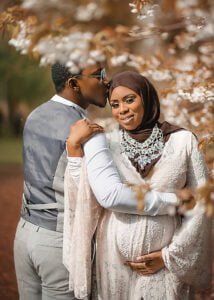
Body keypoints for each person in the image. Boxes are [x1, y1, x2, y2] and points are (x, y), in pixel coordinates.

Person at [65, 71, 211, 299]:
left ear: (147, 98)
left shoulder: (182, 141)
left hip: (163, 268)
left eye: (129, 100)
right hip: (113, 264)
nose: (122, 109)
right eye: (114, 104)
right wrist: (73, 150)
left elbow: (202, 202)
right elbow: (88, 195)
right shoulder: (107, 144)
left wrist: (167, 256)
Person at [13, 62, 108, 300]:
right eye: (98, 75)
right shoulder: (83, 130)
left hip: (25, 235)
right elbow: (99, 192)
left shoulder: (35, 114)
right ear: (73, 83)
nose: (106, 81)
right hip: (59, 242)